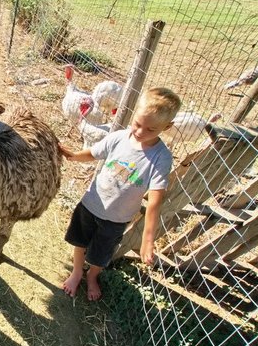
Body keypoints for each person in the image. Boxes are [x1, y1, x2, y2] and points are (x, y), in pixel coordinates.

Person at [59, 87, 181, 301]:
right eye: (137, 124)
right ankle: (77, 271)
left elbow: (155, 200)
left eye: (151, 129)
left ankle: (92, 276)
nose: (140, 132)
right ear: (134, 114)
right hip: (91, 203)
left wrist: (148, 239)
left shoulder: (161, 158)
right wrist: (74, 156)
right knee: (80, 241)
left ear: (167, 127)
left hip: (117, 218)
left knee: (101, 253)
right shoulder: (118, 138)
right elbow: (94, 153)